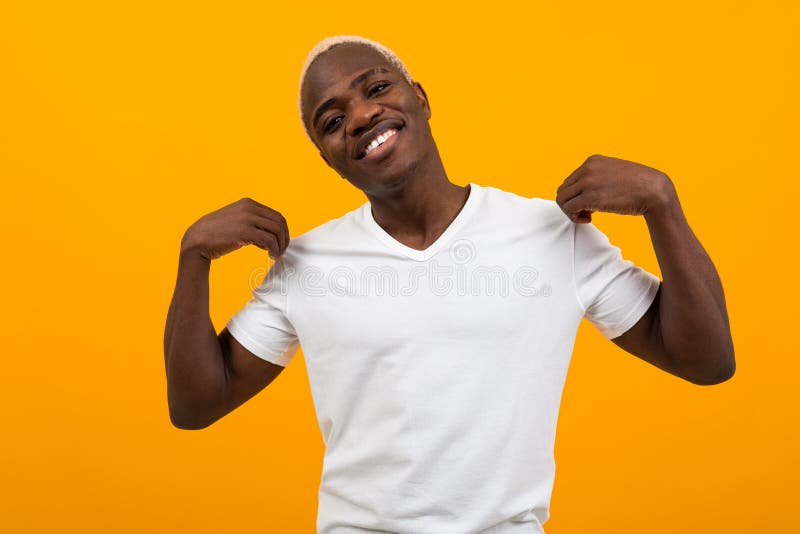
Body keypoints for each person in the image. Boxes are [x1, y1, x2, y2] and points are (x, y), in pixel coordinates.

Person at [163, 35, 735, 533]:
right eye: (333, 121)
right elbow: (195, 405)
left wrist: (663, 205)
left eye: (376, 88)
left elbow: (706, 360)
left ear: (421, 98)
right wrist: (194, 259)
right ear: (328, 158)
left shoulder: (549, 235)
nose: (360, 116)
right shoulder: (305, 265)